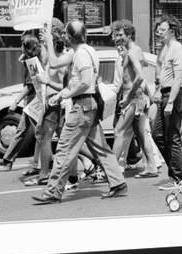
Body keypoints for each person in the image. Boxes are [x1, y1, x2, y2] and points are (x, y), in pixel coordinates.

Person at [32, 20, 127, 204]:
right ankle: (118, 183)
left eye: (66, 35)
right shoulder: (85, 51)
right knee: (101, 148)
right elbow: (55, 62)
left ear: (69, 37)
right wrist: (49, 42)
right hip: (88, 106)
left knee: (64, 148)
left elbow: (85, 82)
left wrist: (64, 94)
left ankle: (53, 191)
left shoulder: (80, 55)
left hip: (81, 107)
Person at [22, 19, 68, 185]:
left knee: (46, 136)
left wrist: (47, 81)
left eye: (44, 31)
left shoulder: (60, 58)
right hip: (49, 101)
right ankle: (91, 165)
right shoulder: (49, 56)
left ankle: (44, 175)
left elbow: (65, 85)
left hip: (56, 102)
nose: (41, 34)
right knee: (56, 137)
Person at [110, 20, 158, 177]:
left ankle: (112, 171)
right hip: (138, 97)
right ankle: (151, 166)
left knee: (118, 131)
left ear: (129, 35)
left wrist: (128, 98)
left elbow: (139, 77)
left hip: (134, 99)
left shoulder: (132, 52)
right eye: (115, 35)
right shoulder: (133, 51)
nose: (117, 38)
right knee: (141, 132)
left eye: (121, 35)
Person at [152, 15, 182, 188]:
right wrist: (159, 91)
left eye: (163, 30)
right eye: (158, 30)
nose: (159, 33)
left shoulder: (177, 49)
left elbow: (178, 77)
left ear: (172, 31)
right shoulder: (167, 49)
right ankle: (178, 170)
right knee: (157, 134)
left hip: (174, 95)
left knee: (172, 137)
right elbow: (164, 76)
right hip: (165, 94)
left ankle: (178, 178)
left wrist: (171, 101)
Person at [0, 34, 41, 170]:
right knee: (27, 131)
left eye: (22, 45)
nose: (19, 47)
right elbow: (20, 58)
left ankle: (39, 163)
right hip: (33, 101)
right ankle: (9, 159)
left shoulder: (32, 64)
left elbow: (29, 86)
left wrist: (15, 102)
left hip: (33, 102)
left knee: (37, 133)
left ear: (27, 48)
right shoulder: (31, 59)